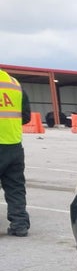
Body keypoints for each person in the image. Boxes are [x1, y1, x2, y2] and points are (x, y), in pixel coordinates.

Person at [0, 68, 31, 237]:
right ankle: (19, 224)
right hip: (14, 145)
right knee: (15, 187)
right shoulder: (14, 84)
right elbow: (26, 117)